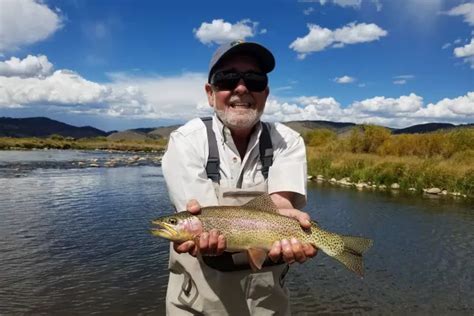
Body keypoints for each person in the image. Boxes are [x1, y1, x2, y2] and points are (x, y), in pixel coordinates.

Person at [161, 40, 317, 315]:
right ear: (210, 93)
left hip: (268, 302)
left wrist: (289, 227)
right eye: (228, 79)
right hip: (198, 303)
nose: (241, 87)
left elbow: (279, 207)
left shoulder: (288, 141)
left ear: (265, 93)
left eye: (254, 80)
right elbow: (207, 223)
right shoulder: (186, 141)